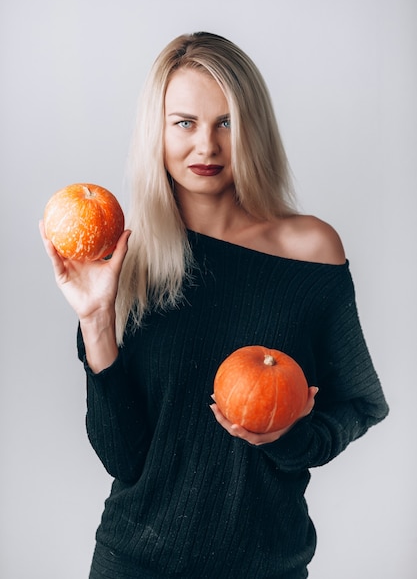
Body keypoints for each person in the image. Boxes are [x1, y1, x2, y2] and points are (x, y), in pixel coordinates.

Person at [40, 31, 389, 579]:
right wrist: (95, 323)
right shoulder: (122, 262)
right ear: (156, 130)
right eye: (185, 123)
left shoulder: (311, 251)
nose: (206, 146)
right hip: (135, 564)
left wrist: (291, 437)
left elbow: (358, 403)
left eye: (225, 122)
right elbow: (123, 458)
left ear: (254, 130)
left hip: (267, 565)